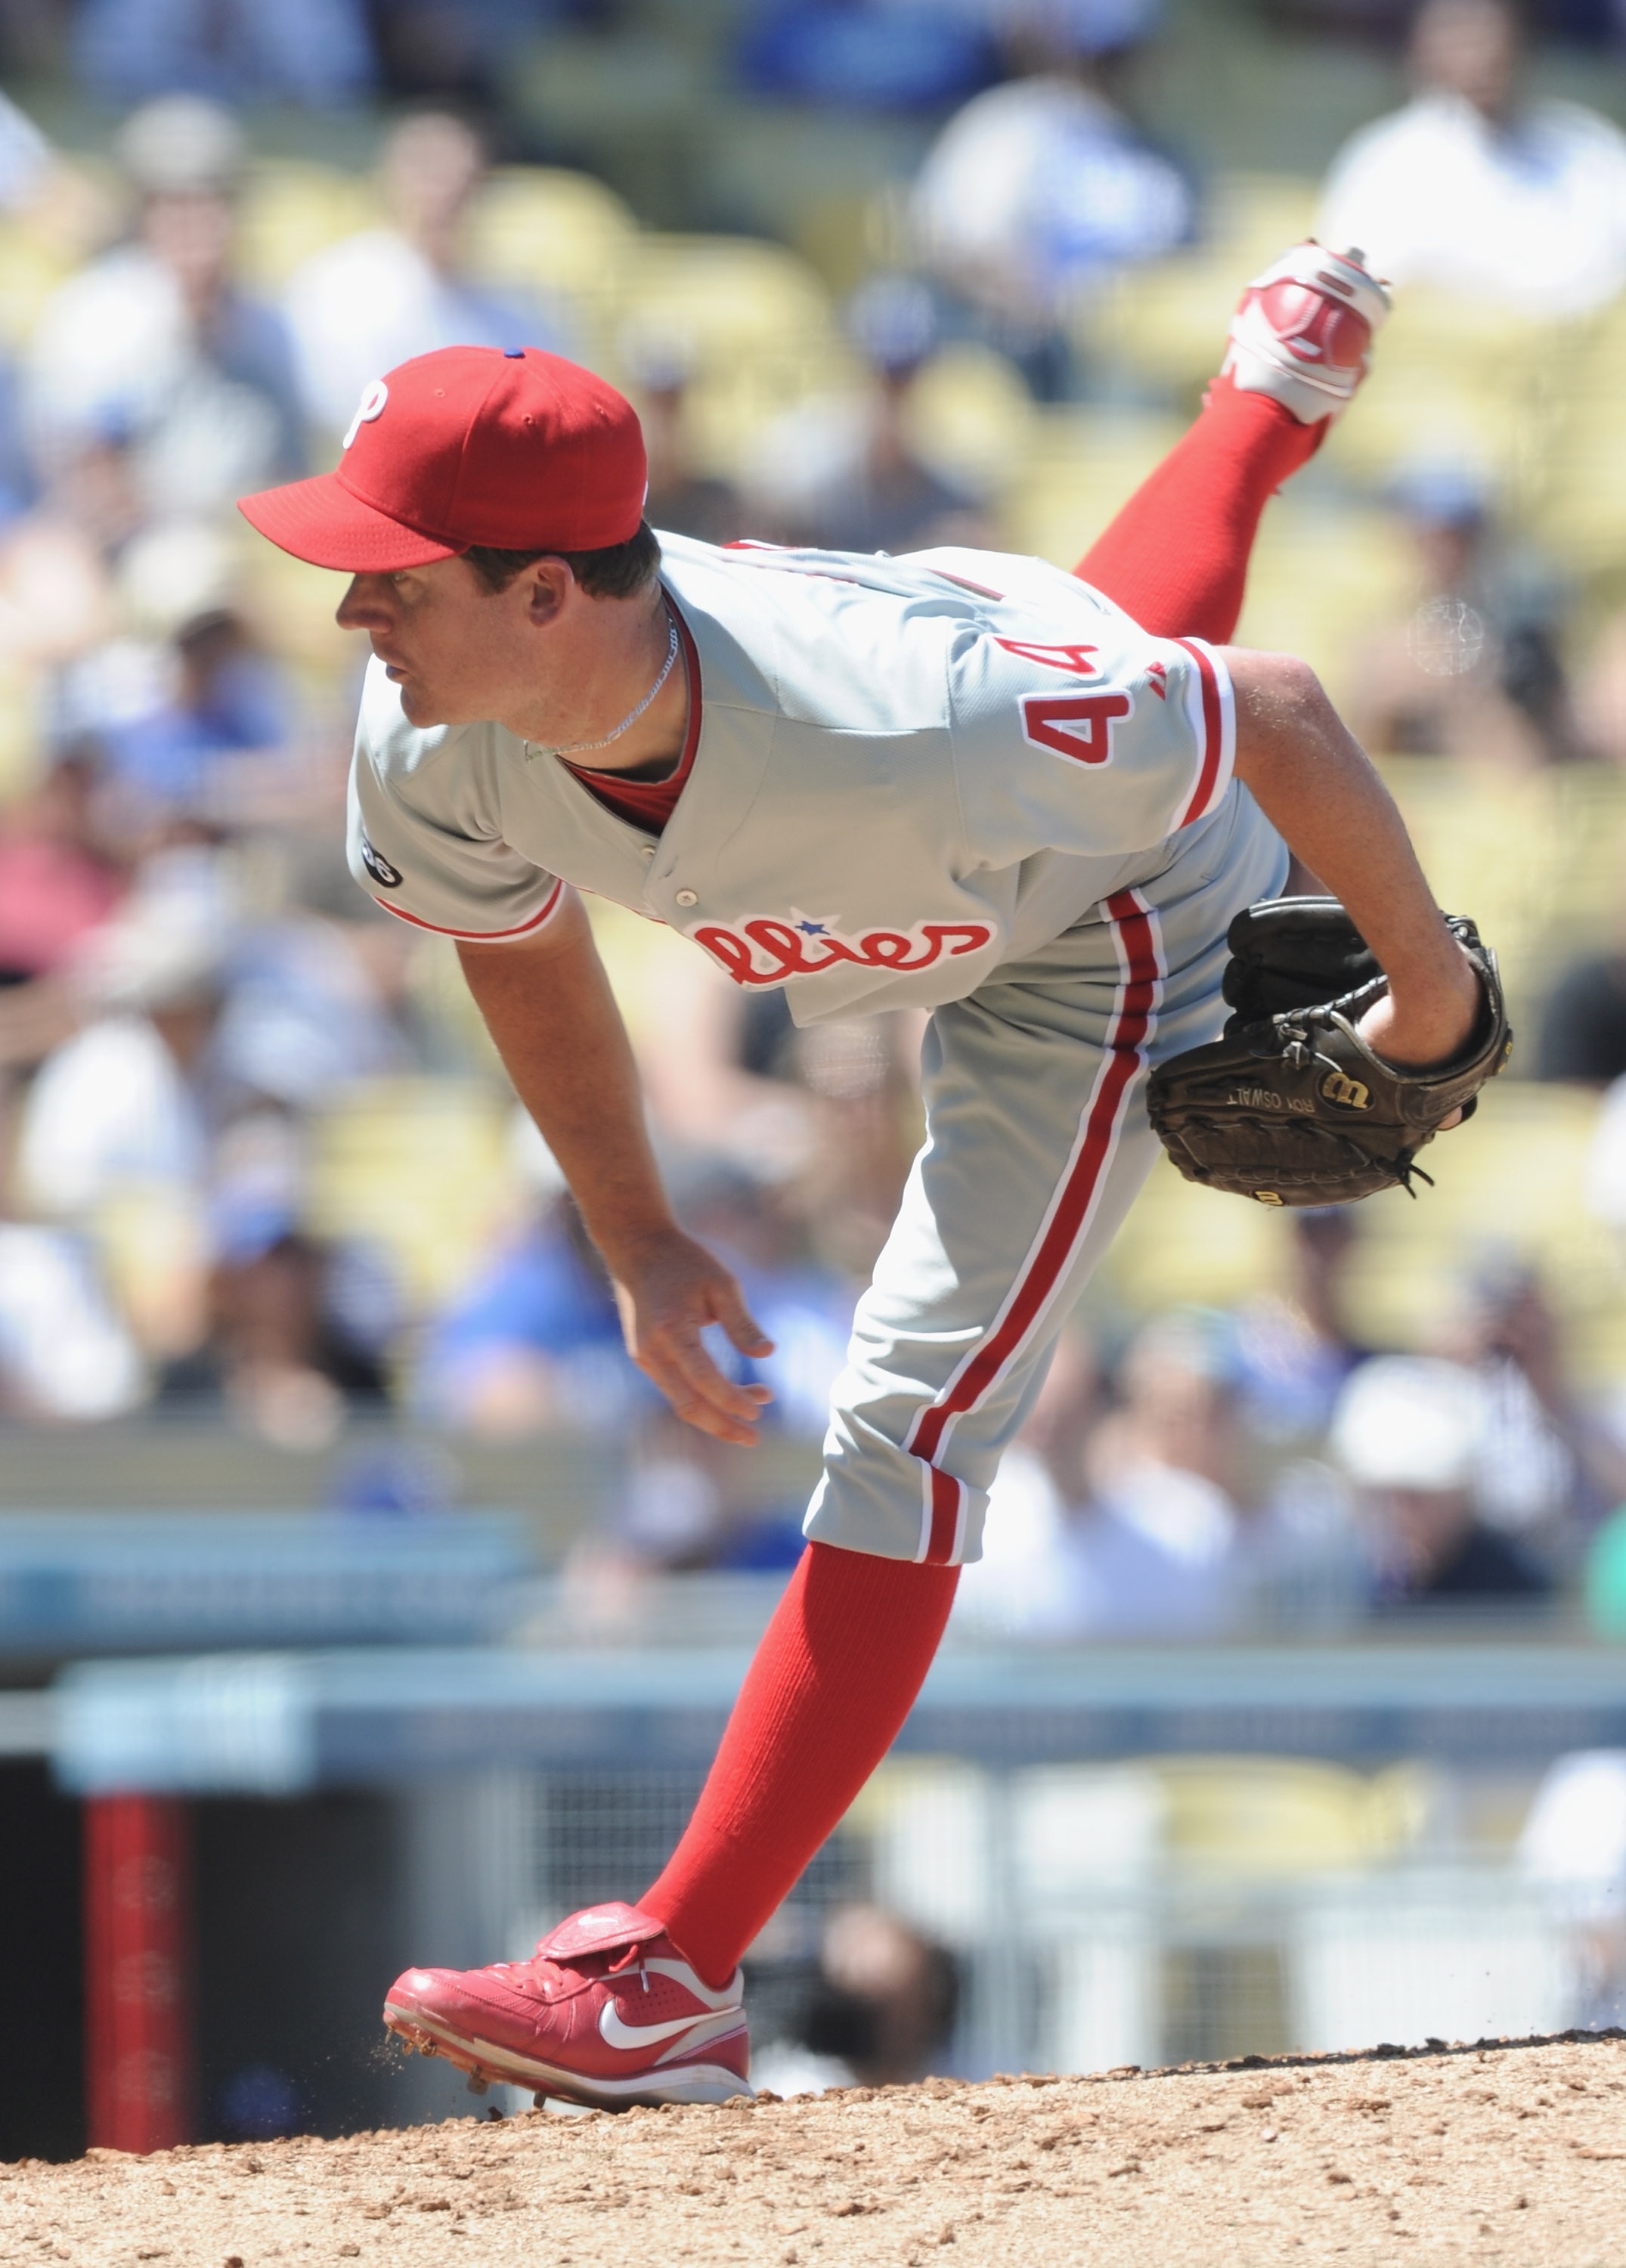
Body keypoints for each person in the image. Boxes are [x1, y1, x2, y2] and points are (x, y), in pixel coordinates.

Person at [236, 237, 1486, 2108]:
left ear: (552, 590)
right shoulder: (439, 729)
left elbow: (1276, 711)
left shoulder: (909, 713)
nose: (350, 613)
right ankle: (1261, 403)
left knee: (909, 1420)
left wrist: (1431, 1013)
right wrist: (642, 1233)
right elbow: (518, 942)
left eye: (390, 575)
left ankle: (670, 1980)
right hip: (995, 728)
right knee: (1087, 696)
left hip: (1107, 916)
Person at [1317, 0, 1626, 321]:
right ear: (1420, 48)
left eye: (1494, 31)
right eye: (1460, 34)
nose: (1484, 51)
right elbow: (1354, 292)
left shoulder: (1586, 143)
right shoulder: (1387, 161)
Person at [283, 113, 572, 445]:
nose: (444, 195)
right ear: (389, 181)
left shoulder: (517, 304)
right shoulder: (337, 287)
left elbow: (553, 412)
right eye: (428, 175)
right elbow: (343, 416)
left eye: (462, 180)